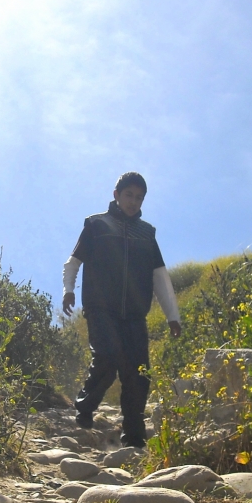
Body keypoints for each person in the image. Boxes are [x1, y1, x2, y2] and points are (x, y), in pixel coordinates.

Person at [62, 172, 181, 448]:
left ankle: (134, 436)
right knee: (108, 355)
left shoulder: (147, 233)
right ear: (116, 194)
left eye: (139, 198)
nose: (133, 201)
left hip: (135, 313)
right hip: (100, 306)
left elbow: (160, 276)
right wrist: (69, 290)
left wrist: (172, 316)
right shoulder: (96, 224)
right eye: (129, 195)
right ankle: (84, 408)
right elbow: (74, 261)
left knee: (139, 372)